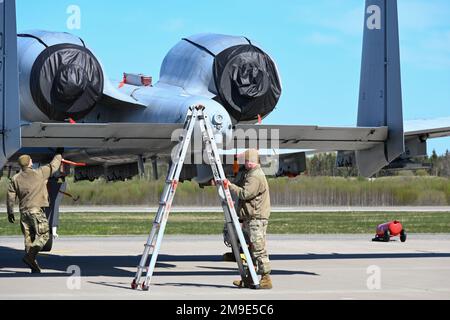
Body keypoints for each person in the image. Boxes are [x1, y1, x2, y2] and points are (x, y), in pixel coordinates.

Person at [6, 154, 63, 273]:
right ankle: (30, 256)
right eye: (31, 159)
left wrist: (10, 212)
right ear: (29, 163)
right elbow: (54, 166)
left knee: (29, 240)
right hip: (36, 211)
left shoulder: (15, 178)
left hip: (24, 213)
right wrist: (58, 155)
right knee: (44, 235)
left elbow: (11, 196)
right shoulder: (39, 173)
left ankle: (33, 267)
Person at [228, 149, 272, 289]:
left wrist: (229, 186)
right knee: (248, 249)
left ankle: (266, 278)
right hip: (250, 217)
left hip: (256, 218)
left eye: (246, 161)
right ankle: (249, 278)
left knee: (258, 248)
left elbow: (245, 193)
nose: (244, 163)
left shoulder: (255, 177)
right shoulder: (250, 173)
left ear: (251, 161)